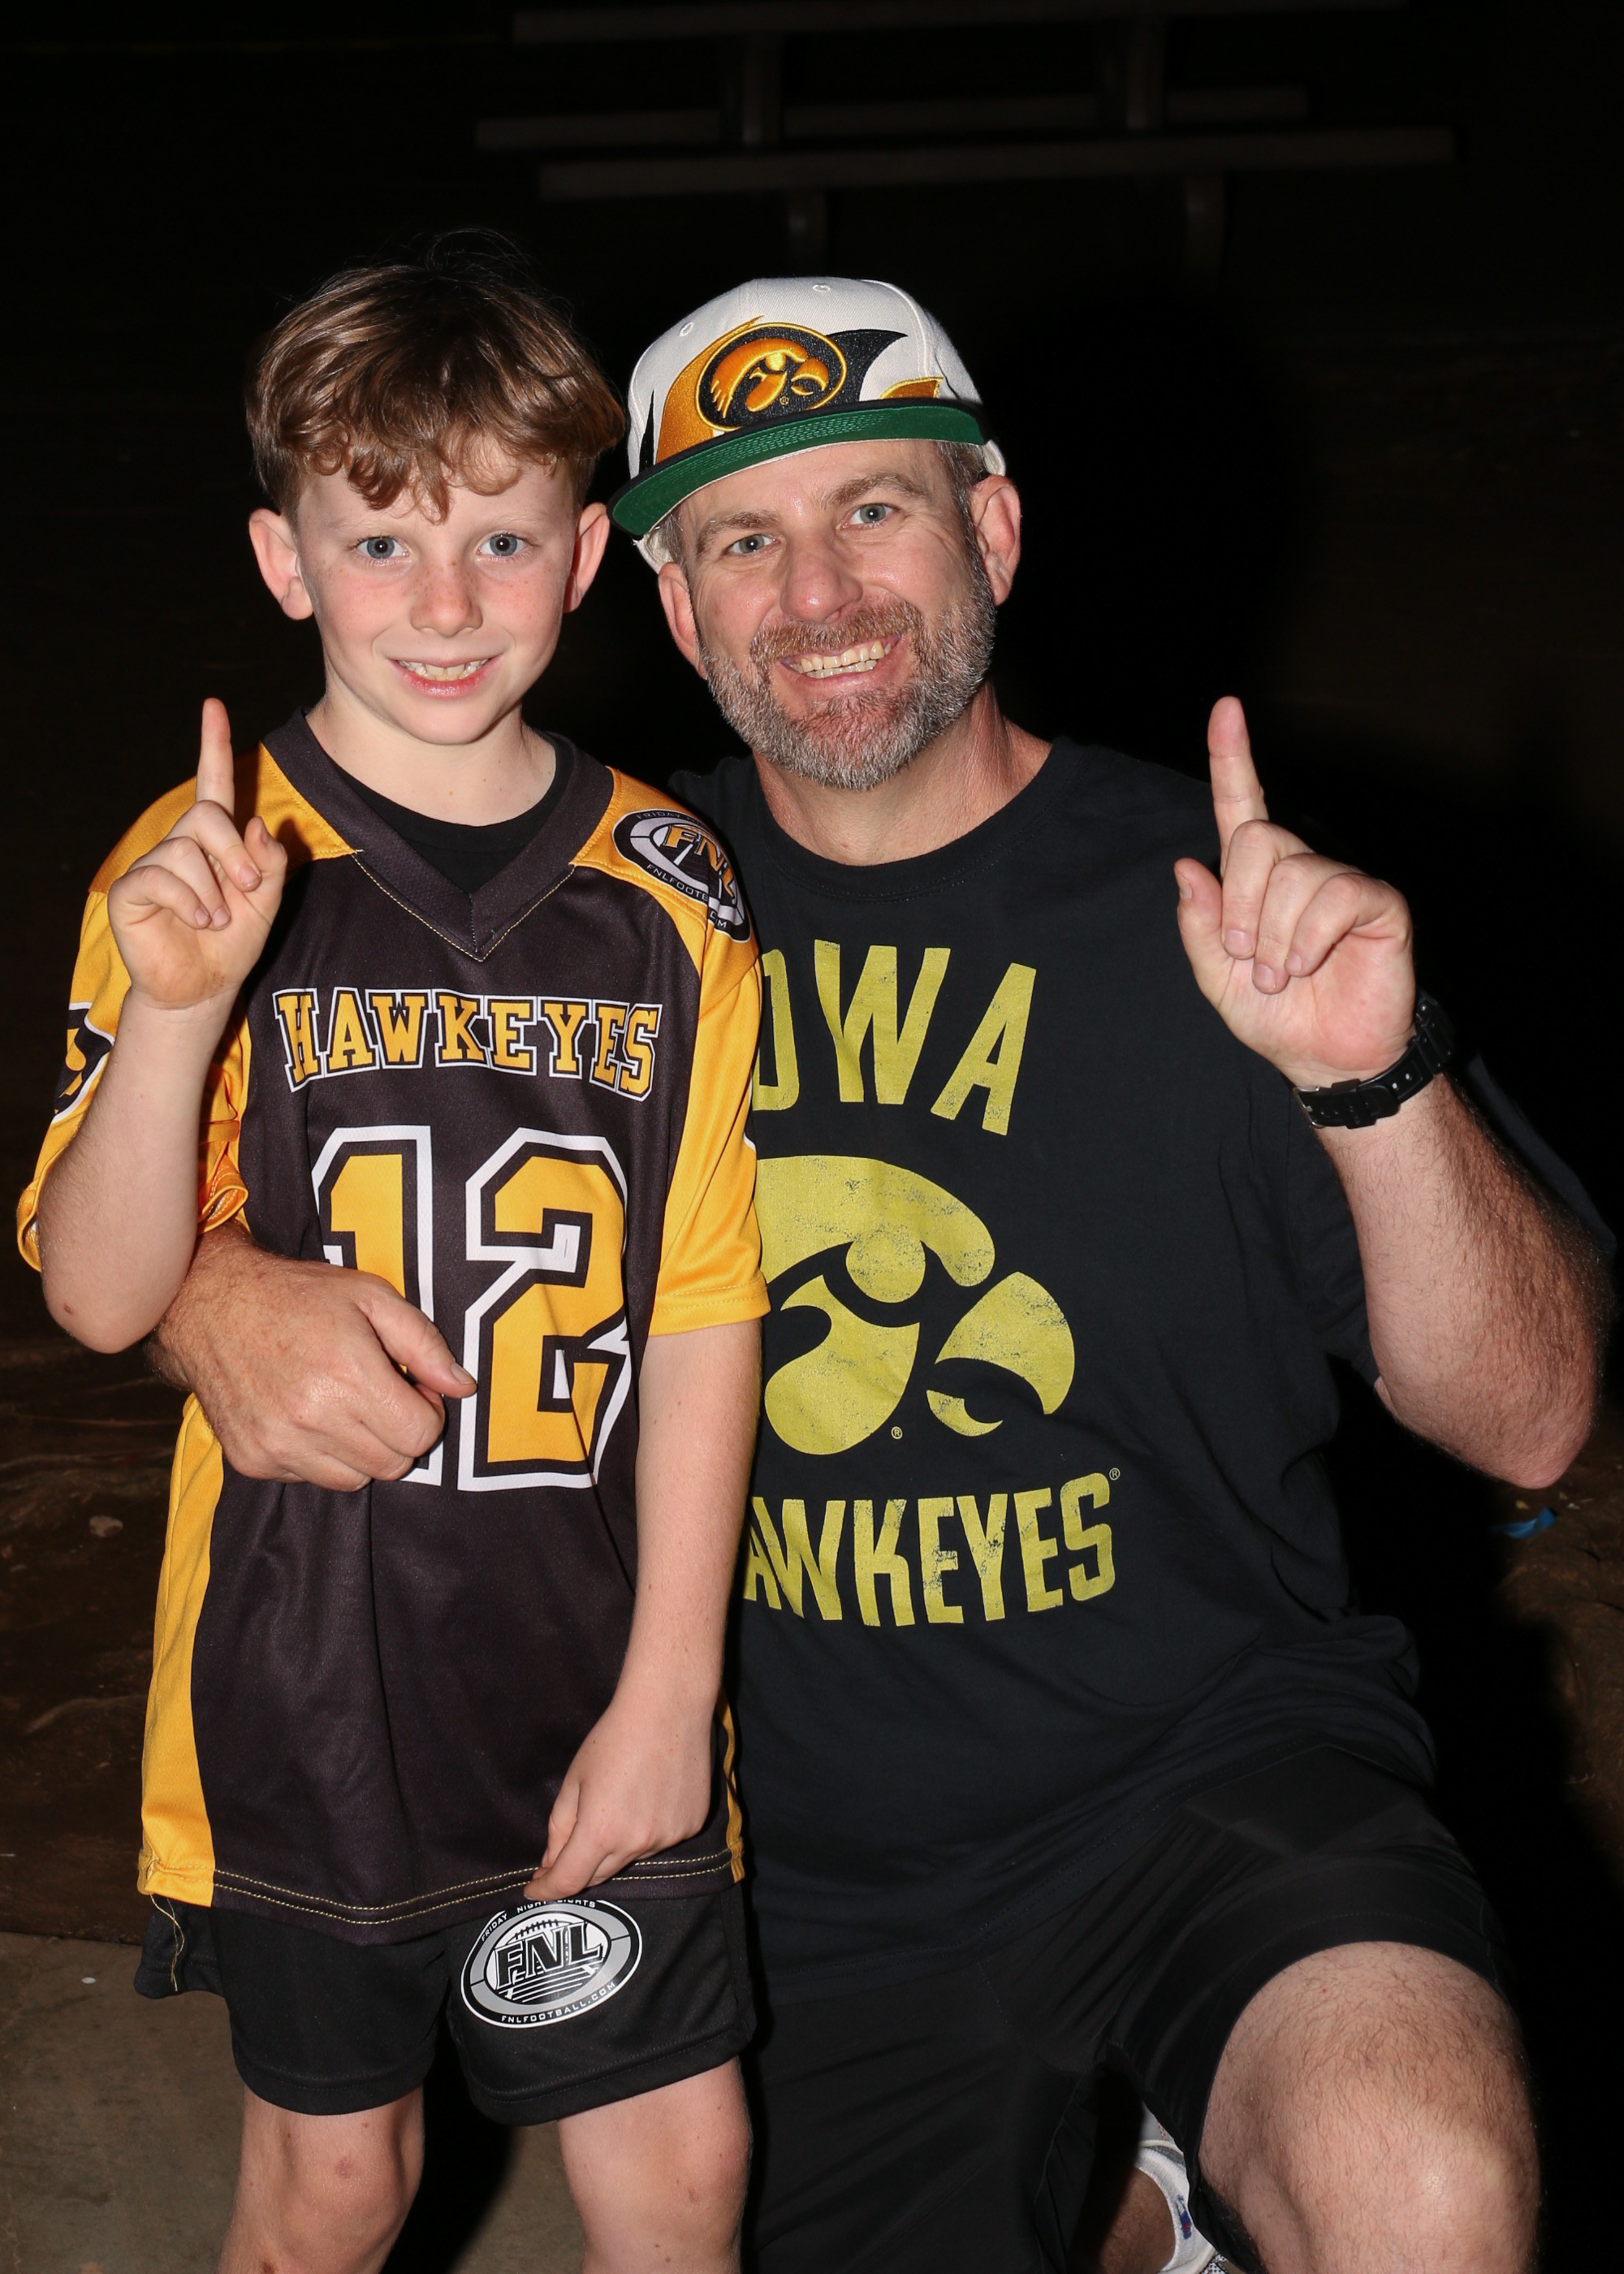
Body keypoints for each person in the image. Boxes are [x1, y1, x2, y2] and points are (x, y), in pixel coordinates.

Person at [145, 277, 1609, 2274]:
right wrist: (204, 1288)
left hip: (1209, 1776)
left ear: (989, 528)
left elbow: (1527, 1415)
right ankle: (1140, 2197)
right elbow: (214, 1183)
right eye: (743, 540)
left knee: (1416, 2184)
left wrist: (1372, 1080)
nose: (818, 594)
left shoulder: (1213, 905)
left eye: (874, 510)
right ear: (670, 603)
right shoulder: (608, 919)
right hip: (807, 1875)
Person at [19, 242, 770, 2274]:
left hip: (590, 1660)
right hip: (307, 1688)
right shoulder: (200, 866)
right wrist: (178, 1012)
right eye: (380, 542)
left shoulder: (671, 893)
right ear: (285, 559)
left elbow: (707, 1300)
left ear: (586, 552)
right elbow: (100, 1292)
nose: (444, 604)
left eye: (502, 538)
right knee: (336, 2187)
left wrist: (673, 1686)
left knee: (681, 2174)